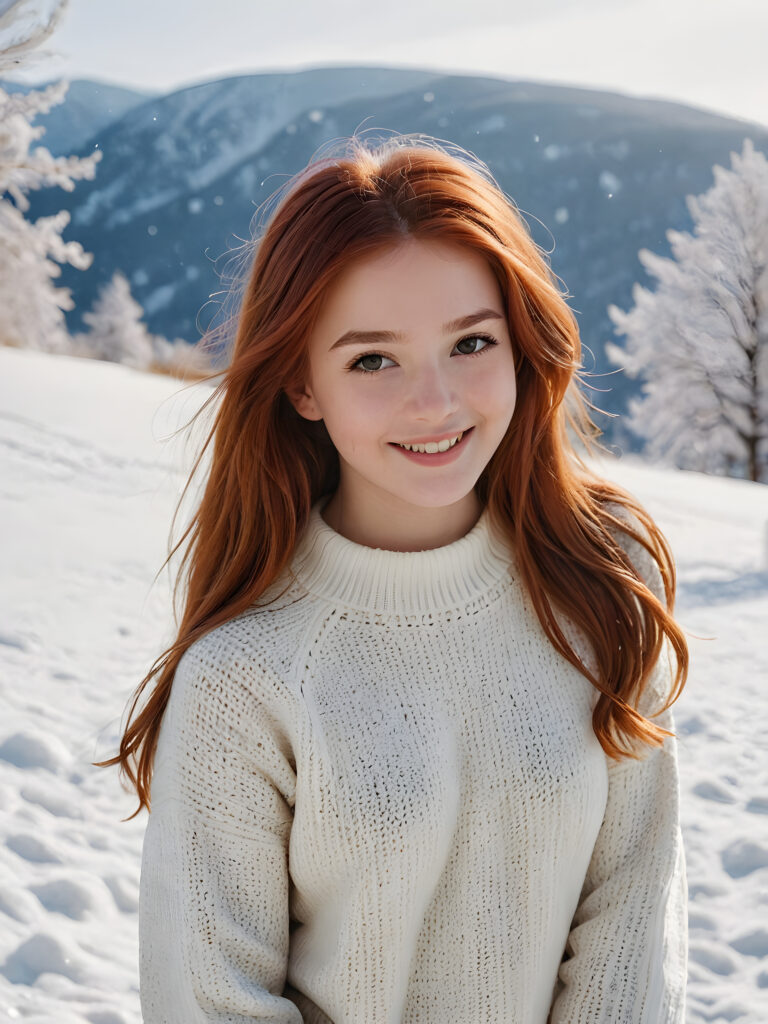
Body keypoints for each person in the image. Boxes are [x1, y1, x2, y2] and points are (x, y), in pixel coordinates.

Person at [97, 131, 690, 1023]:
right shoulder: (243, 678)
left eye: (471, 342)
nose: (436, 403)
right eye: (372, 359)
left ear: (521, 346)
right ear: (302, 385)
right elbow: (213, 1000)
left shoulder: (603, 579)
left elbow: (633, 924)